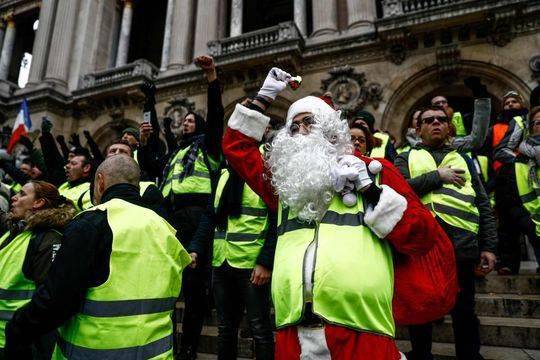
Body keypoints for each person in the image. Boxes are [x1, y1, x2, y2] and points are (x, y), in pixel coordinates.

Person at [222, 67, 451, 359]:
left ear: (330, 130)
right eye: (293, 127)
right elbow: (237, 148)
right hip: (294, 331)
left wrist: (372, 193)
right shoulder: (286, 185)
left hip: (362, 329)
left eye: (309, 123)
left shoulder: (373, 172)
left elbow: (420, 237)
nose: (300, 132)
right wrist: (264, 97)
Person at [4, 155, 192, 359]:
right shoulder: (166, 229)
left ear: (100, 182)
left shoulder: (90, 223)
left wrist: (16, 329)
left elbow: (57, 300)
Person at [394, 105, 497, 360]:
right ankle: (421, 355)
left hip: (462, 246)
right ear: (418, 130)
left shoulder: (464, 158)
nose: (436, 123)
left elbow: (482, 203)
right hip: (423, 247)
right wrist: (437, 176)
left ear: (449, 127)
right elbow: (398, 192)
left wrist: (489, 247)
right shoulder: (404, 158)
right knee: (423, 308)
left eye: (441, 119)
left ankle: (470, 356)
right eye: (429, 120)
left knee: (464, 311)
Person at [138, 55, 224, 359]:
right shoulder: (175, 153)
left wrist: (211, 78)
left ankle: (188, 345)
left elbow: (216, 117)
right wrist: (149, 102)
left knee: (194, 286)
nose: (185, 122)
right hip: (170, 218)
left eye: (190, 120)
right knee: (168, 280)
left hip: (198, 216)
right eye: (183, 120)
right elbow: (149, 162)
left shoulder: (208, 147)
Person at [189, 142, 277, 359]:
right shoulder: (224, 175)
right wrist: (195, 249)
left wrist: (265, 262)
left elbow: (276, 220)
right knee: (225, 329)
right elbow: (210, 216)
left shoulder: (265, 174)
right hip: (222, 262)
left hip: (252, 265)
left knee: (260, 329)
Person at [0, 181, 76, 359]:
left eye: (22, 194)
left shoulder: (49, 240)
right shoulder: (15, 231)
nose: (14, 198)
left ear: (38, 203)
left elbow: (49, 302)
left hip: (18, 345)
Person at [495, 106, 540, 274]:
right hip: (518, 195)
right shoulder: (522, 155)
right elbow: (500, 151)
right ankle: (509, 263)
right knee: (512, 225)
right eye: (537, 122)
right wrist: (521, 160)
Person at [105, 139, 166, 218]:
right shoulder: (95, 189)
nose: (117, 153)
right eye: (112, 151)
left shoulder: (147, 189)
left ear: (131, 161)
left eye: (123, 151)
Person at [493, 91, 529, 169]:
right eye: (507, 103)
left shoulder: (529, 121)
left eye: (514, 101)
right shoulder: (494, 128)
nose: (510, 104)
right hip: (500, 169)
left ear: (521, 104)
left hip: (523, 168)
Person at [57, 148, 93, 212]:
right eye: (68, 163)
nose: (67, 166)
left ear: (86, 168)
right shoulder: (64, 185)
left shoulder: (89, 189)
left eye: (73, 163)